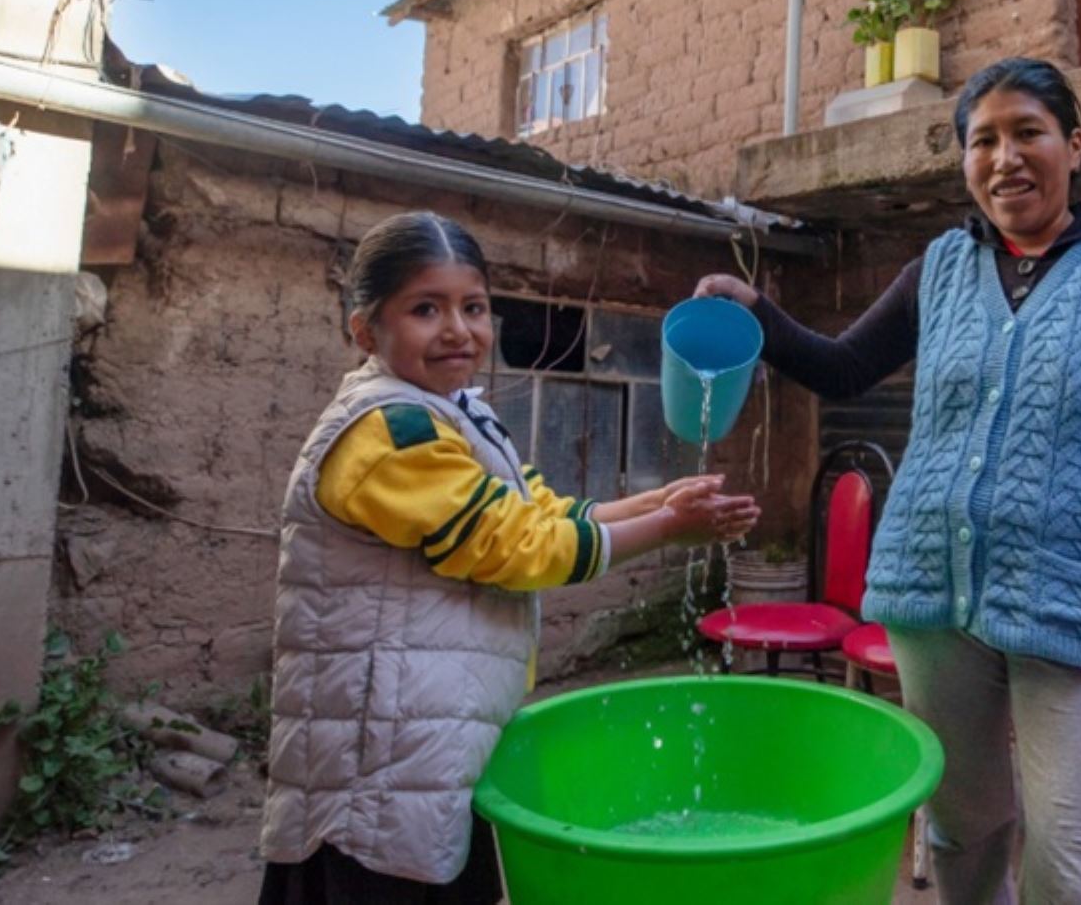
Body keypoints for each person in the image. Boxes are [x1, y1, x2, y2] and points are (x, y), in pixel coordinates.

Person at [696, 57, 1081, 904]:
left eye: (1028, 133)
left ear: (1075, 146)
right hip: (932, 598)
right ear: (963, 161)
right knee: (962, 833)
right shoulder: (939, 270)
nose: (1005, 158)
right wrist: (757, 314)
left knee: (1080, 865)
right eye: (983, 140)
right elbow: (844, 370)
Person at [260, 211, 758, 904]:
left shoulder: (452, 411)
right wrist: (669, 529)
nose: (458, 329)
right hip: (377, 755)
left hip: (427, 736)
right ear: (366, 330)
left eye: (474, 307)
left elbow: (536, 511)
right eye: (425, 309)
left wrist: (655, 504)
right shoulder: (387, 431)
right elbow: (510, 546)